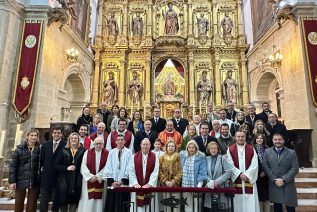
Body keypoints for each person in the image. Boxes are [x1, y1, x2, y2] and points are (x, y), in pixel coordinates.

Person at [263, 133, 299, 212]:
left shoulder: (291, 152)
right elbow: (266, 167)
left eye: (279, 139)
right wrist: (274, 179)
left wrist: (283, 179)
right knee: (277, 208)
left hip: (288, 183)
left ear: (283, 140)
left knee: (290, 208)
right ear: (272, 140)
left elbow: (295, 168)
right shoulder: (267, 152)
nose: (277, 141)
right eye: (275, 139)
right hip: (274, 184)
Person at [226, 131, 260, 212]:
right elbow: (229, 164)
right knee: (238, 201)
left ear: (245, 137)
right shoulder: (230, 149)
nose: (240, 138)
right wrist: (239, 174)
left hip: (248, 179)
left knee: (250, 202)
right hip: (237, 179)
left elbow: (255, 164)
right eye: (238, 136)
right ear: (235, 137)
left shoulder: (251, 149)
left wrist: (247, 175)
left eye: (242, 136)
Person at [9, 129, 41, 212]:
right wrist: (12, 181)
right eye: (31, 135)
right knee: (19, 202)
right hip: (20, 179)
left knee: (32, 203)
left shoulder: (40, 149)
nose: (33, 137)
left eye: (35, 135)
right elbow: (13, 166)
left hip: (34, 179)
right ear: (27, 136)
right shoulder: (19, 150)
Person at [54, 132, 86, 212]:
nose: (73, 140)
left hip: (77, 180)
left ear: (78, 140)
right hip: (64, 180)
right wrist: (67, 168)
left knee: (74, 201)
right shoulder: (63, 150)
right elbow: (56, 165)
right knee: (63, 201)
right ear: (69, 140)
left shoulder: (83, 151)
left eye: (75, 138)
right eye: (72, 138)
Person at [78, 137, 109, 211]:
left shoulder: (107, 153)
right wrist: (90, 177)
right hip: (89, 180)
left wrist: (98, 176)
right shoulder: (87, 152)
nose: (98, 145)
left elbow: (107, 167)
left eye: (100, 144)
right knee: (88, 199)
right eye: (96, 144)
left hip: (100, 180)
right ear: (94, 144)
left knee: (99, 201)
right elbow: (83, 166)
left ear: (103, 144)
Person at [129, 138, 160, 212]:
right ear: (140, 145)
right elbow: (131, 171)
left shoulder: (155, 156)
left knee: (150, 207)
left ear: (150, 146)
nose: (145, 146)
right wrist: (135, 183)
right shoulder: (134, 156)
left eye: (147, 144)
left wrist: (150, 183)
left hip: (149, 187)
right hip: (137, 186)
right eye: (144, 144)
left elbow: (155, 171)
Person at [40, 126, 66, 212]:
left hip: (58, 178)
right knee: (43, 202)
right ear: (52, 134)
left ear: (61, 134)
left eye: (58, 133)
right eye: (55, 133)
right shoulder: (46, 145)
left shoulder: (65, 145)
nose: (56, 134)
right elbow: (42, 160)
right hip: (46, 178)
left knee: (55, 204)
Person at [103, 134, 132, 212]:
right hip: (113, 184)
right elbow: (108, 166)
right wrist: (112, 182)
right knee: (111, 205)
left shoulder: (129, 153)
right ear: (115, 141)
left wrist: (122, 181)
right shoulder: (111, 152)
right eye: (118, 140)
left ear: (124, 141)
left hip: (123, 183)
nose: (120, 141)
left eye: (122, 140)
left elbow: (129, 167)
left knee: (123, 205)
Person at [180, 140, 208, 212]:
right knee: (187, 205)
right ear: (187, 148)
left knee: (196, 206)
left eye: (193, 147)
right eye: (189, 147)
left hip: (196, 185)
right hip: (185, 185)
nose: (191, 149)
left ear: (196, 148)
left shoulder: (201, 156)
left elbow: (202, 171)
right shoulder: (183, 155)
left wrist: (199, 185)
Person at [204, 142, 231, 211]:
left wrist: (216, 182)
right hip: (209, 189)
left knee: (222, 209)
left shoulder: (223, 158)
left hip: (221, 188)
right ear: (208, 150)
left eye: (215, 148)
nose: (213, 150)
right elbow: (204, 173)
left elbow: (228, 172)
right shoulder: (206, 159)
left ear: (218, 149)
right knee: (211, 209)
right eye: (211, 148)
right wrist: (210, 181)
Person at [159, 140, 182, 212]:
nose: (171, 148)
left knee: (176, 205)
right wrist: (165, 181)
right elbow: (159, 170)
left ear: (175, 147)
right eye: (169, 146)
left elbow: (180, 171)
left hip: (175, 184)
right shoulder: (162, 157)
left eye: (172, 146)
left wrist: (173, 181)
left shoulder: (178, 156)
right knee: (167, 206)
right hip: (165, 184)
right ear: (166, 147)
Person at [253, 134, 270, 212]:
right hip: (257, 175)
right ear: (255, 139)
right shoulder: (252, 149)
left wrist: (265, 172)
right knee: (259, 195)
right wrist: (259, 171)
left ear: (263, 140)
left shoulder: (267, 149)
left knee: (266, 196)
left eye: (261, 138)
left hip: (266, 175)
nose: (259, 140)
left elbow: (270, 162)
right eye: (257, 138)